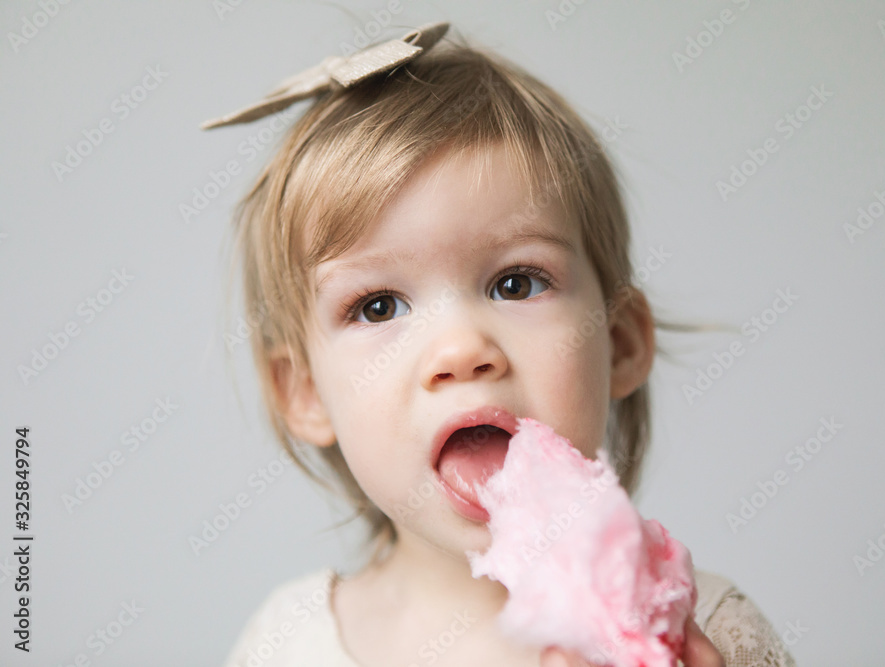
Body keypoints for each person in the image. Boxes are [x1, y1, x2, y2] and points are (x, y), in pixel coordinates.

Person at [205, 21, 797, 667]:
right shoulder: (285, 644)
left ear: (621, 342)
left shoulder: (710, 628)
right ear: (307, 392)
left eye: (516, 283)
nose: (462, 349)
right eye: (378, 306)